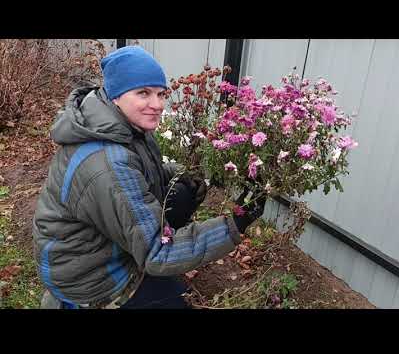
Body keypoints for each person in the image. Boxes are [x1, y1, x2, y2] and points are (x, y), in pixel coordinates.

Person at [33, 45, 266, 309]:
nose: (157, 105)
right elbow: (158, 252)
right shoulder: (106, 163)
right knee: (178, 302)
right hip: (90, 277)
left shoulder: (119, 124)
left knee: (181, 193)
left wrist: (185, 173)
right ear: (115, 94)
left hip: (97, 246)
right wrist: (235, 223)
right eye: (143, 93)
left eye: (161, 93)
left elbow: (143, 170)